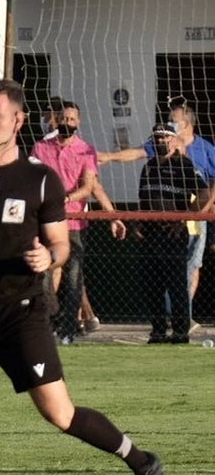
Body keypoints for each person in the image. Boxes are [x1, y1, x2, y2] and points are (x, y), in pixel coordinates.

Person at [0, 78, 172, 475]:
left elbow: (61, 245)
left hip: (21, 313)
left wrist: (48, 257)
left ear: (17, 120)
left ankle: (141, 459)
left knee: (59, 413)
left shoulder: (40, 180)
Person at [100, 101, 215, 329]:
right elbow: (136, 153)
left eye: (175, 120)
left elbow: (209, 185)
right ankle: (169, 317)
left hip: (193, 211)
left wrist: (204, 209)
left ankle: (183, 315)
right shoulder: (161, 149)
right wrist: (109, 157)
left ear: (188, 124)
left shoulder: (204, 149)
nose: (170, 124)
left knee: (191, 265)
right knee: (161, 269)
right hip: (162, 215)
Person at [30, 100, 125, 344]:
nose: (67, 123)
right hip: (46, 223)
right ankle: (50, 320)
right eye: (63, 118)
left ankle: (69, 329)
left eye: (72, 119)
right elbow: (31, 180)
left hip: (74, 224)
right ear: (56, 120)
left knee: (74, 278)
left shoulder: (86, 150)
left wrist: (111, 216)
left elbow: (91, 186)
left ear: (78, 122)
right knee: (43, 274)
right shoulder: (41, 148)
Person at [135, 120, 207, 344]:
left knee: (176, 284)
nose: (161, 141)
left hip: (173, 234)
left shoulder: (183, 165)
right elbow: (143, 200)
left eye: (165, 137)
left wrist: (183, 218)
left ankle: (180, 331)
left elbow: (204, 194)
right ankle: (157, 330)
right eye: (157, 138)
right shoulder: (148, 167)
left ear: (174, 140)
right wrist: (138, 223)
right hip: (151, 233)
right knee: (152, 284)